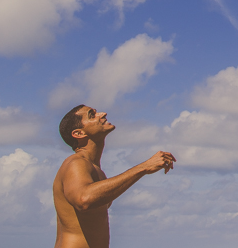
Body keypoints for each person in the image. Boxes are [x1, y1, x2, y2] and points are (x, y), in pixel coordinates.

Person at [52, 104, 177, 248]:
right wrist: (143, 167)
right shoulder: (76, 162)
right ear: (79, 134)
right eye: (92, 115)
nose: (103, 114)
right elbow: (84, 199)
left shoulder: (95, 170)